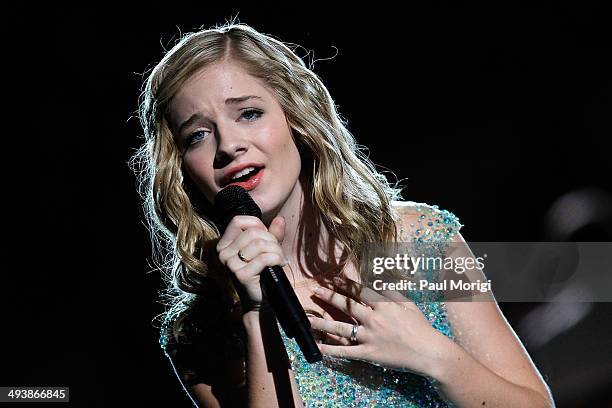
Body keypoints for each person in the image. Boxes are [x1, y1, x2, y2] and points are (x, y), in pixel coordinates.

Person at [131, 22, 555, 407]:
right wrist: (256, 313)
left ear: (295, 117)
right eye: (198, 135)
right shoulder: (203, 331)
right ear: (182, 168)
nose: (228, 145)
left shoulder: (414, 239)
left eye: (249, 113)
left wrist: (433, 355)